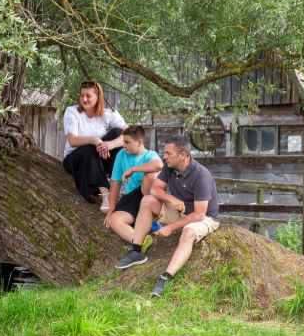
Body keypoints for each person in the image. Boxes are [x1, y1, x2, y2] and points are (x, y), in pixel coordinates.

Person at [115, 138, 220, 297]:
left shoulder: (201, 174)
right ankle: (136, 251)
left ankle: (165, 277)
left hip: (204, 217)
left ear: (183, 155)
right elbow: (155, 190)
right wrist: (172, 199)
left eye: (168, 153)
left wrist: (170, 228)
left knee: (188, 232)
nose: (165, 157)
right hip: (179, 211)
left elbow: (199, 214)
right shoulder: (170, 168)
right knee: (148, 201)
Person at [61, 80, 128, 210]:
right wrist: (95, 140)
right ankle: (106, 195)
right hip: (75, 159)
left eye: (88, 96)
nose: (84, 99)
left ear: (98, 97)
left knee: (118, 133)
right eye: (82, 96)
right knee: (89, 149)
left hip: (99, 156)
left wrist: (110, 144)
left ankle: (115, 181)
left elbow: (130, 132)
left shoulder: (108, 113)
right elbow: (72, 140)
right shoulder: (72, 112)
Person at [104, 126, 164, 244]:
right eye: (123, 142)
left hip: (149, 197)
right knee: (114, 220)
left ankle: (153, 219)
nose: (124, 145)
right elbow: (115, 183)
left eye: (127, 142)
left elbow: (159, 165)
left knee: (150, 176)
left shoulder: (150, 155)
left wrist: (134, 169)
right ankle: (140, 241)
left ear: (139, 142)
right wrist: (111, 209)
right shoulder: (121, 155)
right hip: (131, 197)